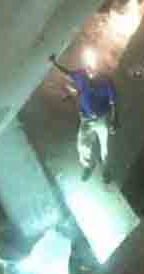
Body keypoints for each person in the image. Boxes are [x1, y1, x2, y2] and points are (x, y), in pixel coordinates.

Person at [49, 53, 119, 182]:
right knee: (82, 145)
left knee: (105, 147)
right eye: (88, 71)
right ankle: (88, 166)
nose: (90, 73)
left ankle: (106, 170)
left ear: (98, 72)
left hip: (101, 119)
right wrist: (55, 63)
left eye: (92, 71)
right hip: (86, 120)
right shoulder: (81, 77)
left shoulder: (106, 83)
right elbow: (68, 73)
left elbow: (113, 103)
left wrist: (114, 120)